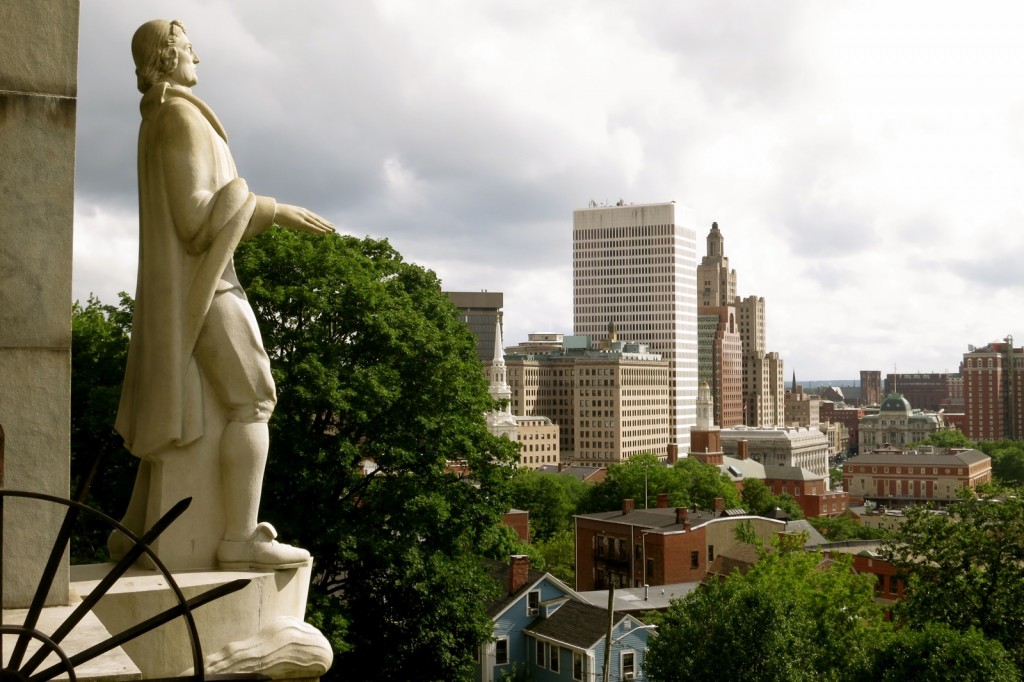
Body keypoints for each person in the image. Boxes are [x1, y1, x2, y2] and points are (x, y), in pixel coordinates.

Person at [114, 19, 334, 569]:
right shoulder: (180, 117)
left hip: (195, 284)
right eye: (188, 49)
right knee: (253, 399)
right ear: (166, 57)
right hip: (206, 287)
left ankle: (135, 530)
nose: (197, 59)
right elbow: (194, 221)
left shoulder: (164, 117)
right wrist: (269, 208)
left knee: (182, 411)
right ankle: (238, 537)